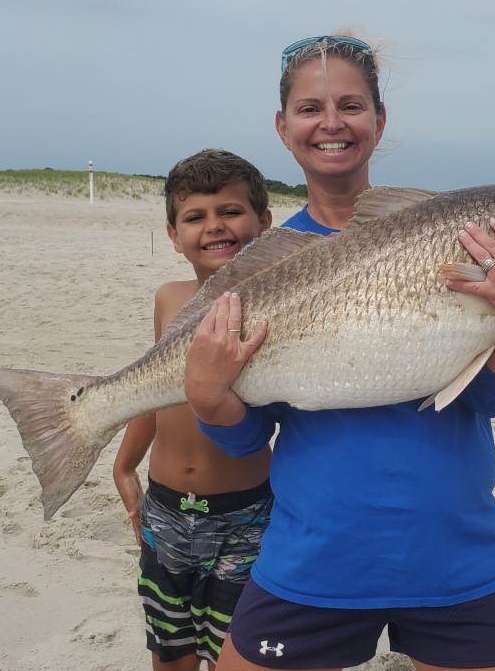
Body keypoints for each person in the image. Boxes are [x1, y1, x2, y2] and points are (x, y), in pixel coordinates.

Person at [183, 33, 495, 671]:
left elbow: (488, 397)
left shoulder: (462, 238)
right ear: (282, 126)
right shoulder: (261, 270)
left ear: (379, 121)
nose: (332, 123)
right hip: (312, 559)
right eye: (309, 109)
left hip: (455, 555)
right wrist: (206, 396)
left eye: (351, 105)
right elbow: (247, 439)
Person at [112, 149, 276, 671]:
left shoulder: (278, 304)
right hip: (163, 507)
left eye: (230, 211)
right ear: (171, 233)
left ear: (263, 222)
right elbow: (152, 388)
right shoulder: (170, 298)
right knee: (171, 650)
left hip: (247, 512)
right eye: (195, 216)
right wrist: (124, 464)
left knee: (233, 650)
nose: (214, 227)